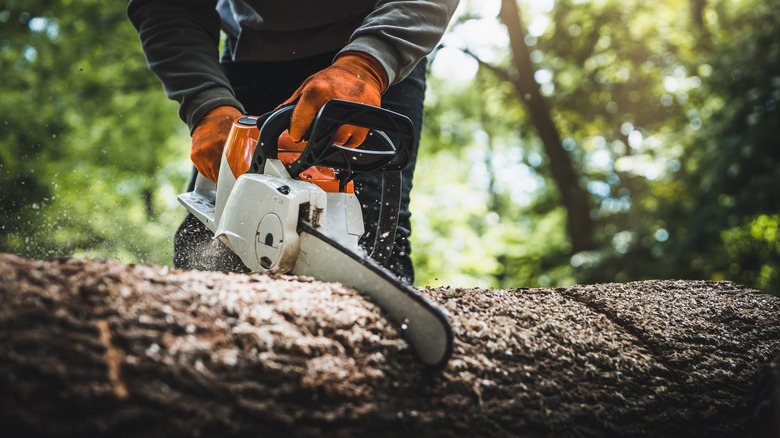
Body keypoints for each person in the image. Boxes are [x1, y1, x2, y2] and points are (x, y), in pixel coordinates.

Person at [128, 0, 459, 284]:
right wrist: (207, 103)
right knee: (216, 233)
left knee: (374, 239)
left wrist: (368, 64)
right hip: (251, 54)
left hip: (377, 40)